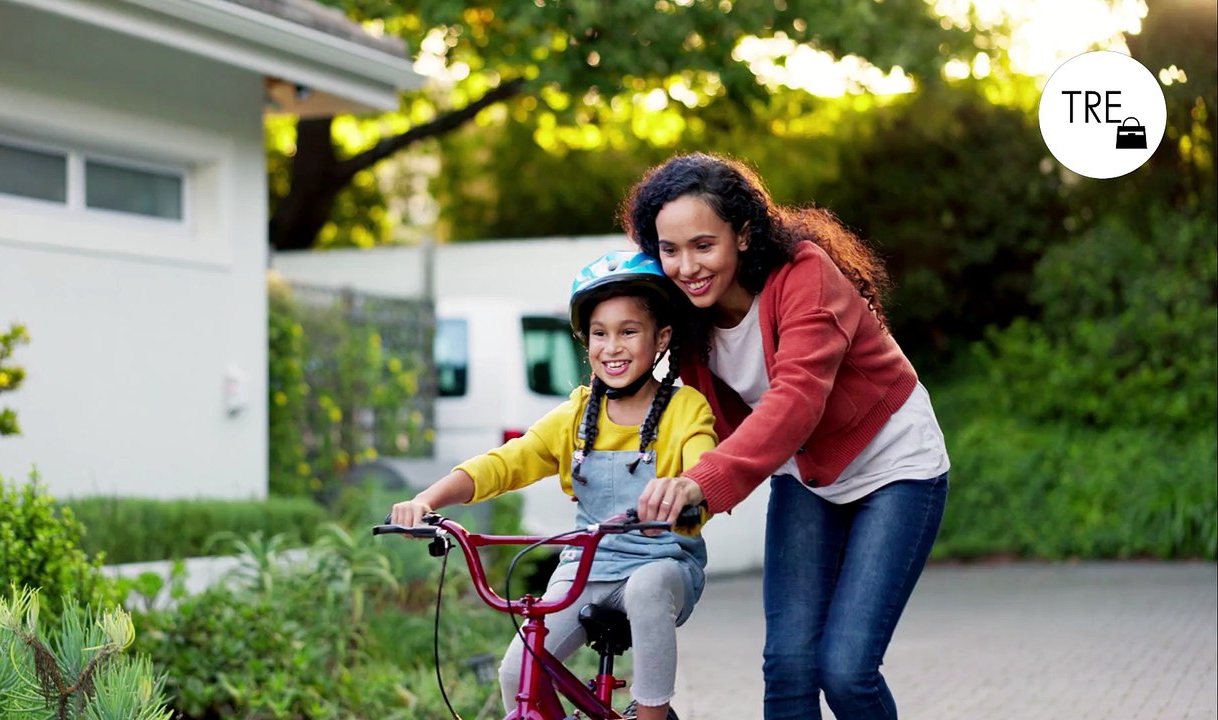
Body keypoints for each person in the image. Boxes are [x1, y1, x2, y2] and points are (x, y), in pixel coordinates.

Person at [624, 153, 950, 720]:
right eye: (669, 250)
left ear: (744, 234)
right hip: (809, 477)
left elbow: (796, 398)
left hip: (896, 467)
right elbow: (685, 415)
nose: (686, 265)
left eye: (704, 245)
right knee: (788, 666)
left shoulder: (805, 275)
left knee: (845, 670)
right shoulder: (686, 315)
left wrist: (703, 484)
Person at [390, 250, 718, 720]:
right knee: (517, 672)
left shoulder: (684, 410)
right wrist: (426, 501)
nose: (612, 347)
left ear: (661, 337)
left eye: (629, 332)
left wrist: (688, 490)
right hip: (586, 566)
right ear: (586, 342)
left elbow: (702, 466)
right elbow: (502, 464)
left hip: (662, 563)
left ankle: (651, 716)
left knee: (647, 588)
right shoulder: (575, 417)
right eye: (599, 334)